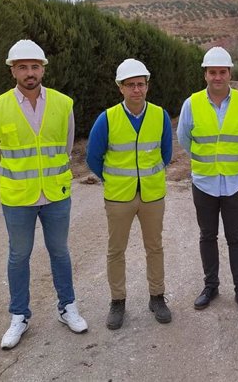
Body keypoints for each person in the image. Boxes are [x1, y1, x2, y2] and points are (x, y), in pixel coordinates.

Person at [0, 39, 88, 350]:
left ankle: (67, 307)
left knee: (60, 252)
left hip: (56, 193)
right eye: (23, 67)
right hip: (18, 198)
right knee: (18, 256)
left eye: (35, 66)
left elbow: (66, 146)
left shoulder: (62, 103)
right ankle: (19, 315)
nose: (30, 72)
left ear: (42, 69)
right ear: (13, 71)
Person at [86, 59, 173, 329]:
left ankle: (157, 297)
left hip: (152, 196)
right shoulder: (107, 118)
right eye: (130, 85)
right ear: (120, 88)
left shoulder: (160, 115)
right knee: (116, 250)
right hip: (119, 197)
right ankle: (117, 302)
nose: (137, 90)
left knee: (154, 247)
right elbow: (93, 157)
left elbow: (166, 154)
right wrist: (112, 180)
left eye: (141, 84)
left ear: (147, 86)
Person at [177, 47, 238, 317]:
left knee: (236, 237)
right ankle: (210, 286)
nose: (217, 77)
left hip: (235, 182)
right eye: (212, 72)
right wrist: (205, 160)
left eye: (222, 72)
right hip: (204, 183)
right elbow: (184, 139)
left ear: (229, 74)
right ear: (205, 74)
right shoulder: (191, 104)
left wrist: (232, 158)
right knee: (207, 235)